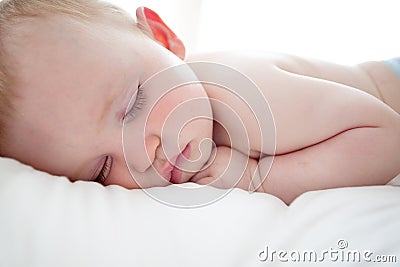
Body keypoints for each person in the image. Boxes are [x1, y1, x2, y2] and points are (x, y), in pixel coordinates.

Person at [0, 0, 399, 204]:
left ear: (163, 38)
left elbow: (387, 138)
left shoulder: (241, 93)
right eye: (102, 171)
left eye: (134, 104)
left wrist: (257, 180)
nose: (140, 154)